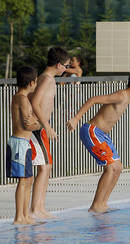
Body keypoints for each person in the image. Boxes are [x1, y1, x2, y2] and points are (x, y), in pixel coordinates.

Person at [66, 68, 130, 213]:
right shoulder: (121, 95)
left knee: (118, 168)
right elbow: (93, 100)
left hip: (103, 135)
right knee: (110, 167)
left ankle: (103, 204)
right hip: (92, 131)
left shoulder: (128, 97)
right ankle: (96, 206)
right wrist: (76, 119)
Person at [30, 47, 70, 219]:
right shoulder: (46, 79)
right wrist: (47, 126)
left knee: (46, 167)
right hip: (39, 128)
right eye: (66, 66)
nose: (67, 69)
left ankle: (40, 207)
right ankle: (35, 209)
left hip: (41, 127)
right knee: (45, 167)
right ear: (59, 64)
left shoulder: (46, 78)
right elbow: (35, 103)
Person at [6, 66, 41, 224]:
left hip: (23, 143)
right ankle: (19, 217)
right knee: (23, 180)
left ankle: (25, 215)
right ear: (32, 83)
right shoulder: (23, 99)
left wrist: (34, 122)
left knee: (29, 179)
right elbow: (29, 125)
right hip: (19, 144)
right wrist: (39, 125)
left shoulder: (18, 96)